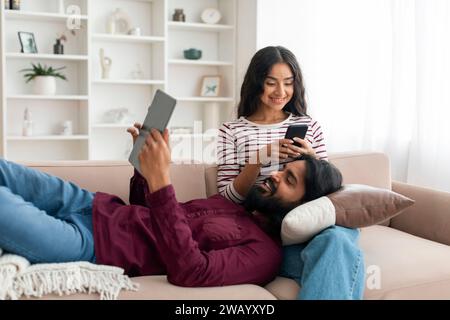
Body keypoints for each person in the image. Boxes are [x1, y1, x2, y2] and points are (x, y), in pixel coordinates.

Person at [0, 128, 343, 288]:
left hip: (91, 245)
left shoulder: (263, 254)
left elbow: (191, 271)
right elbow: (151, 213)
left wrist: (161, 180)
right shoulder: (233, 206)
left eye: (290, 181)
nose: (276, 175)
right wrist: (144, 169)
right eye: (284, 169)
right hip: (92, 205)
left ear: (302, 206)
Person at [217, 46, 365, 299]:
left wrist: (312, 159)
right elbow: (227, 199)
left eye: (288, 83)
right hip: (272, 229)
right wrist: (259, 160)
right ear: (256, 83)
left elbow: (329, 192)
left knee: (338, 237)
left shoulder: (309, 126)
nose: (281, 92)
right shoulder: (231, 131)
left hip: (311, 223)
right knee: (340, 249)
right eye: (271, 83)